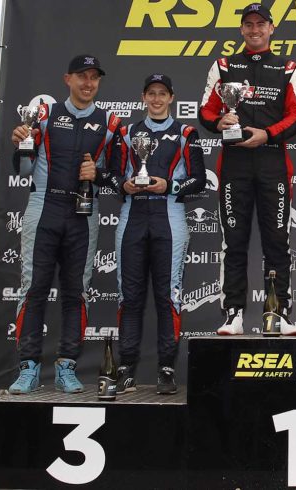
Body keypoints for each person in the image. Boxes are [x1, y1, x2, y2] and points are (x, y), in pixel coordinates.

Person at [8, 54, 123, 394]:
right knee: (34, 288)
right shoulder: (44, 115)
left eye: (94, 77)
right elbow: (23, 169)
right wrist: (22, 145)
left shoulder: (110, 122)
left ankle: (67, 367)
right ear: (67, 79)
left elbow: (117, 178)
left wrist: (97, 174)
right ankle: (28, 368)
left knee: (76, 292)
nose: (88, 83)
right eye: (81, 76)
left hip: (83, 214)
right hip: (44, 208)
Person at [199, 3, 296, 336]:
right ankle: (233, 314)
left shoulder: (289, 68)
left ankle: (278, 314)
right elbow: (206, 111)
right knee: (234, 241)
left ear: (271, 28)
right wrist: (219, 122)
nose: (255, 29)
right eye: (249, 24)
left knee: (277, 241)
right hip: (235, 165)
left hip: (273, 163)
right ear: (242, 30)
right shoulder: (223, 65)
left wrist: (268, 134)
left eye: (261, 24)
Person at [113, 73, 206, 395]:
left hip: (170, 218)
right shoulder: (126, 133)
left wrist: (170, 185)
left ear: (171, 98)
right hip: (132, 218)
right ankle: (126, 368)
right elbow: (111, 174)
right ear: (143, 97)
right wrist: (123, 185)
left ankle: (166, 368)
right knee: (129, 296)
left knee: (169, 296)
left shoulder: (186, 133)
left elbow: (199, 179)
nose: (156, 99)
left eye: (162, 93)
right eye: (151, 93)